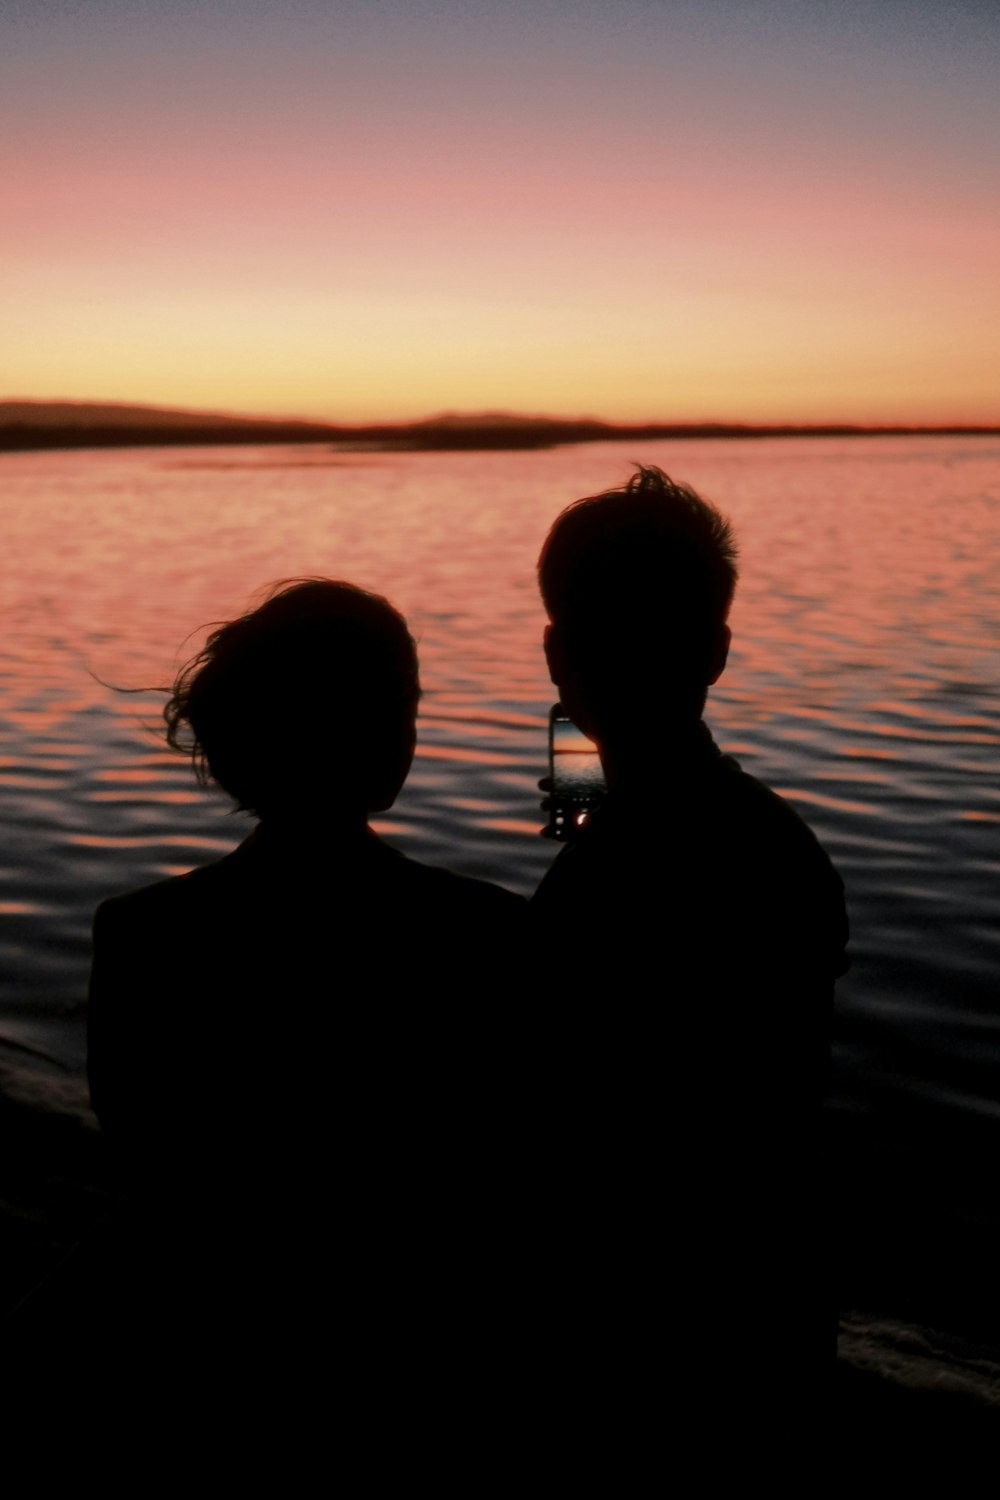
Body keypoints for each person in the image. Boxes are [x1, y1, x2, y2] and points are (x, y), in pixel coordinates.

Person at [81, 579, 526, 1396]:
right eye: (407, 706)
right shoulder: (486, 933)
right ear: (390, 735)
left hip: (208, 1346)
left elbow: (152, 1167)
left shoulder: (140, 935)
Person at [529, 467, 848, 1442]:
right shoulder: (777, 848)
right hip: (765, 1301)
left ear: (556, 658)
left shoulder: (595, 885)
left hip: (635, 1328)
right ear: (713, 651)